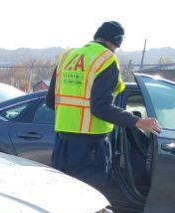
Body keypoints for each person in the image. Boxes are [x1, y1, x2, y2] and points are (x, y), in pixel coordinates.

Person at [45, 21, 161, 192]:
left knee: (63, 198)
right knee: (88, 200)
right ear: (116, 42)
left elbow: (50, 101)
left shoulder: (67, 56)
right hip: (90, 147)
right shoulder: (106, 60)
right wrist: (138, 122)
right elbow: (101, 107)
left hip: (62, 144)